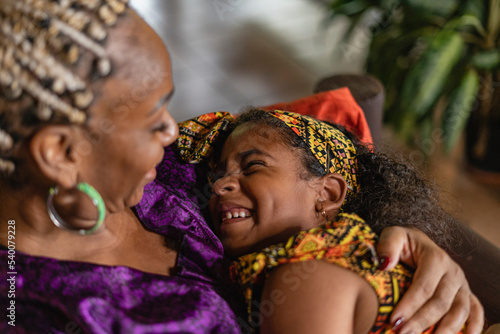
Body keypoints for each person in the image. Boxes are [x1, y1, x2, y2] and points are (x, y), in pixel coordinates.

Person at [0, 0, 493, 333]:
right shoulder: (24, 304)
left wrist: (405, 238)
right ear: (61, 154)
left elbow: (303, 161)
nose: (176, 132)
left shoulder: (174, 170)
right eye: (153, 118)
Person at [179, 107, 487, 333]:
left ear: (326, 193)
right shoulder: (349, 253)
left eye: (253, 166)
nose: (218, 187)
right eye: (219, 175)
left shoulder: (304, 274)